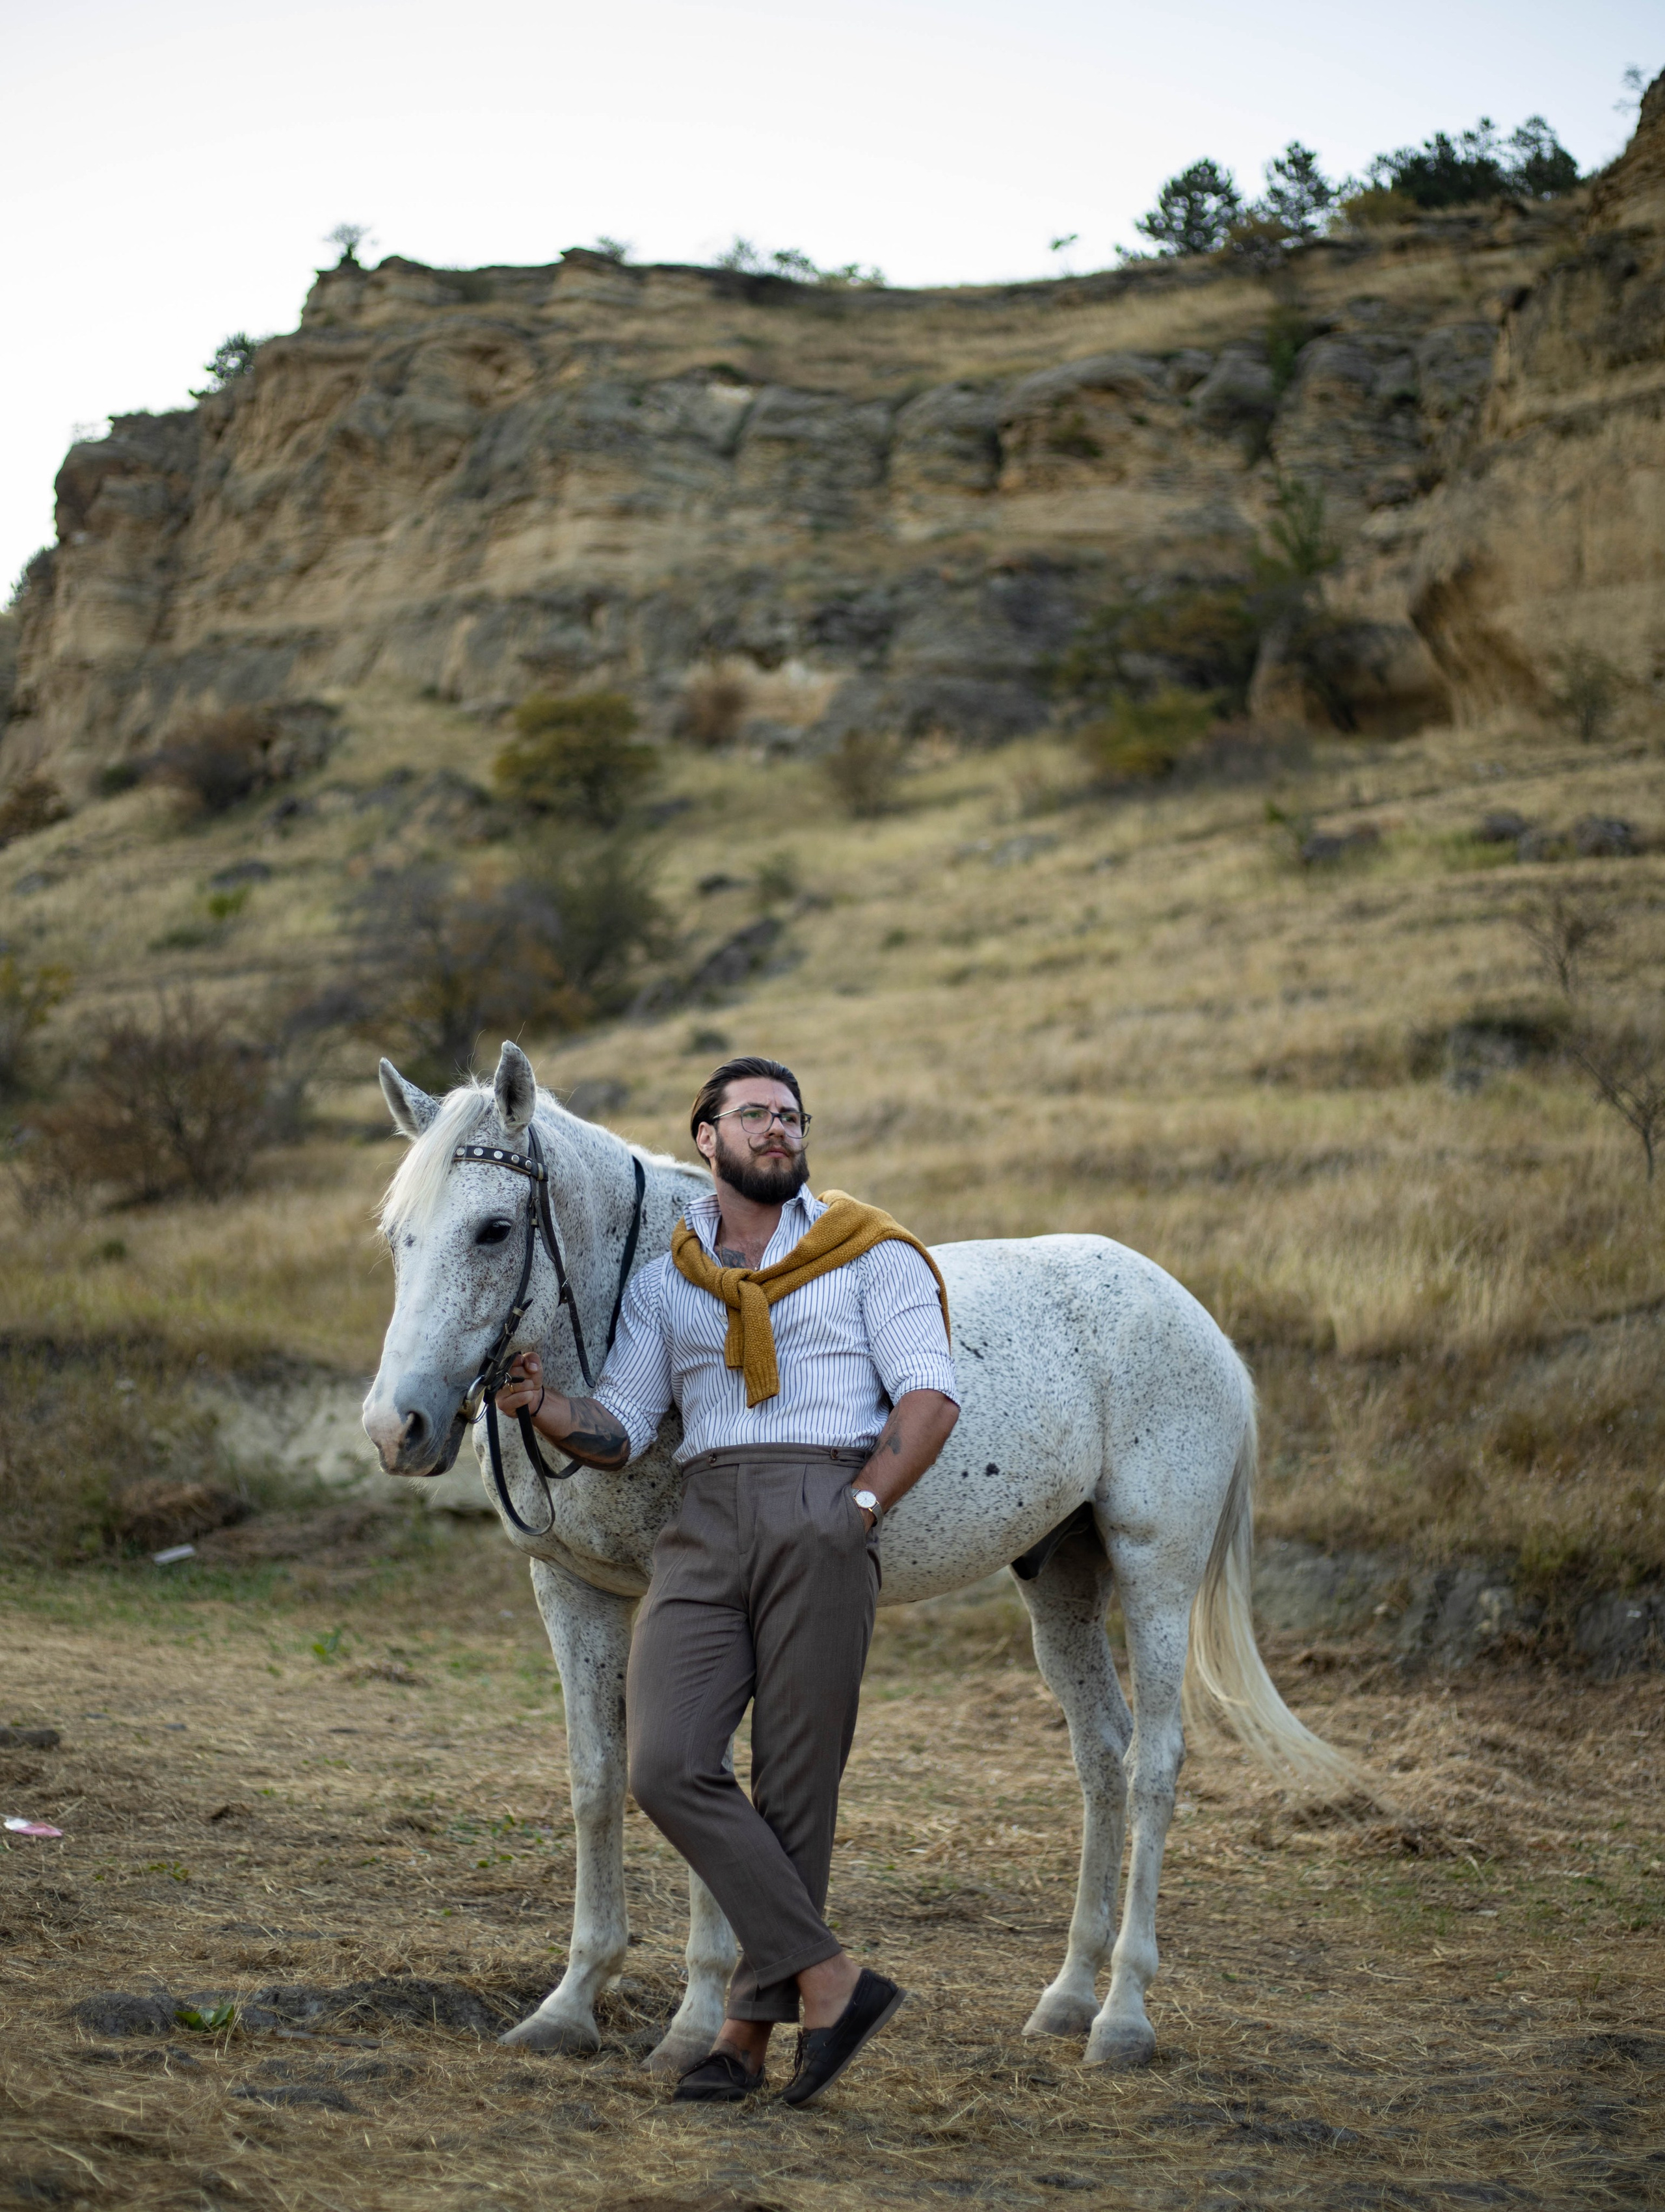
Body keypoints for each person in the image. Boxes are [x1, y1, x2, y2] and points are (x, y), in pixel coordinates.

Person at [495, 1055, 959, 2105]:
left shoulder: (868, 1252)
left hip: (824, 1503)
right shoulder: (670, 1282)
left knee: (796, 1788)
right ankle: (833, 1978)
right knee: (666, 1761)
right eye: (753, 1114)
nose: (777, 1128)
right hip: (703, 1520)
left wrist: (862, 1512)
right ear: (705, 1137)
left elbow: (930, 1396)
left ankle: (743, 2042)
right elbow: (619, 1423)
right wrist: (544, 1406)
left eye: (790, 1115)